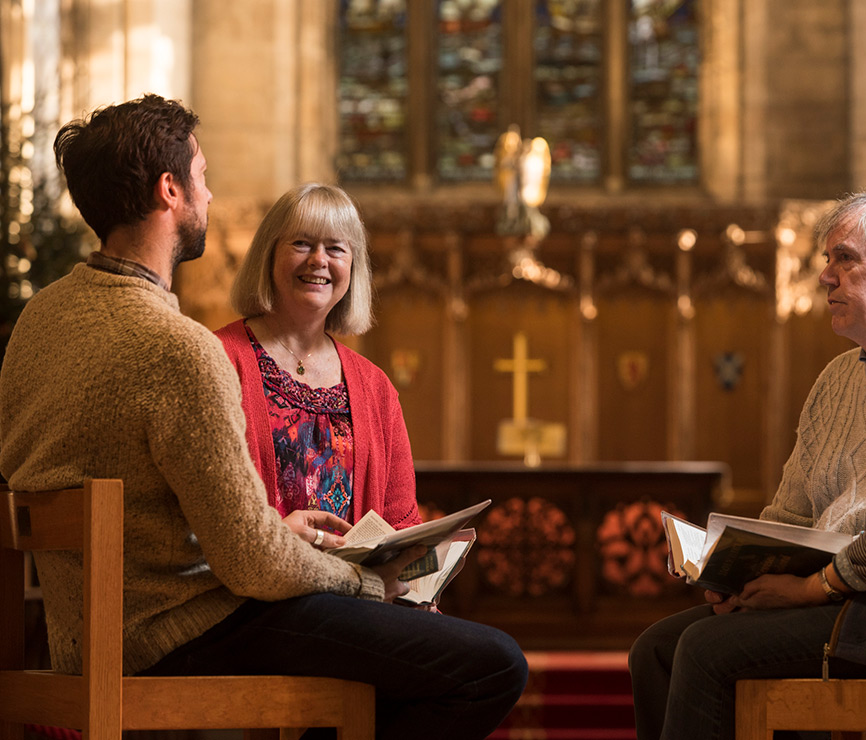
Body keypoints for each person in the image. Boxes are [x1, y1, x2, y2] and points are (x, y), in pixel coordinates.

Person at [0, 94, 527, 740]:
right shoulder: (182, 349)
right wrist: (365, 587)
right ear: (170, 191)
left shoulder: (37, 321)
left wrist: (284, 538)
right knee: (493, 665)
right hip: (178, 633)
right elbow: (250, 562)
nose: (212, 195)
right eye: (201, 176)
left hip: (84, 632)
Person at [629, 191, 866, 740]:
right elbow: (790, 512)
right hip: (808, 590)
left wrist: (810, 585)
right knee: (654, 650)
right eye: (826, 260)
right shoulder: (835, 379)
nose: (826, 276)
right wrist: (734, 573)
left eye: (844, 259)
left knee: (708, 651)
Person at [216, 183, 419, 550]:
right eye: (302, 244)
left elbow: (401, 519)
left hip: (353, 596)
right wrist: (274, 536)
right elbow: (203, 508)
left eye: (336, 248)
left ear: (352, 267)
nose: (319, 260)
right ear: (268, 254)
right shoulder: (219, 359)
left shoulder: (376, 388)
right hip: (258, 593)